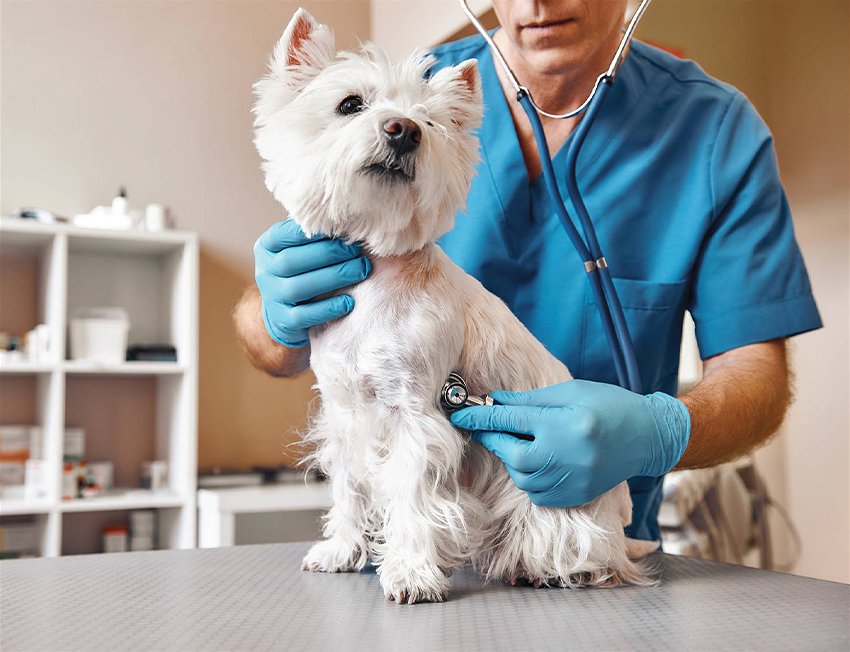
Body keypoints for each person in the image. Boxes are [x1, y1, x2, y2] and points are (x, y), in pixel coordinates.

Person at [234, 1, 821, 542]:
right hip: (406, 554)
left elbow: (757, 379)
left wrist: (657, 431)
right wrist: (272, 313)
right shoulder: (400, 99)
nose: (535, 3)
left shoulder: (716, 132)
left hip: (578, 539)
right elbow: (275, 339)